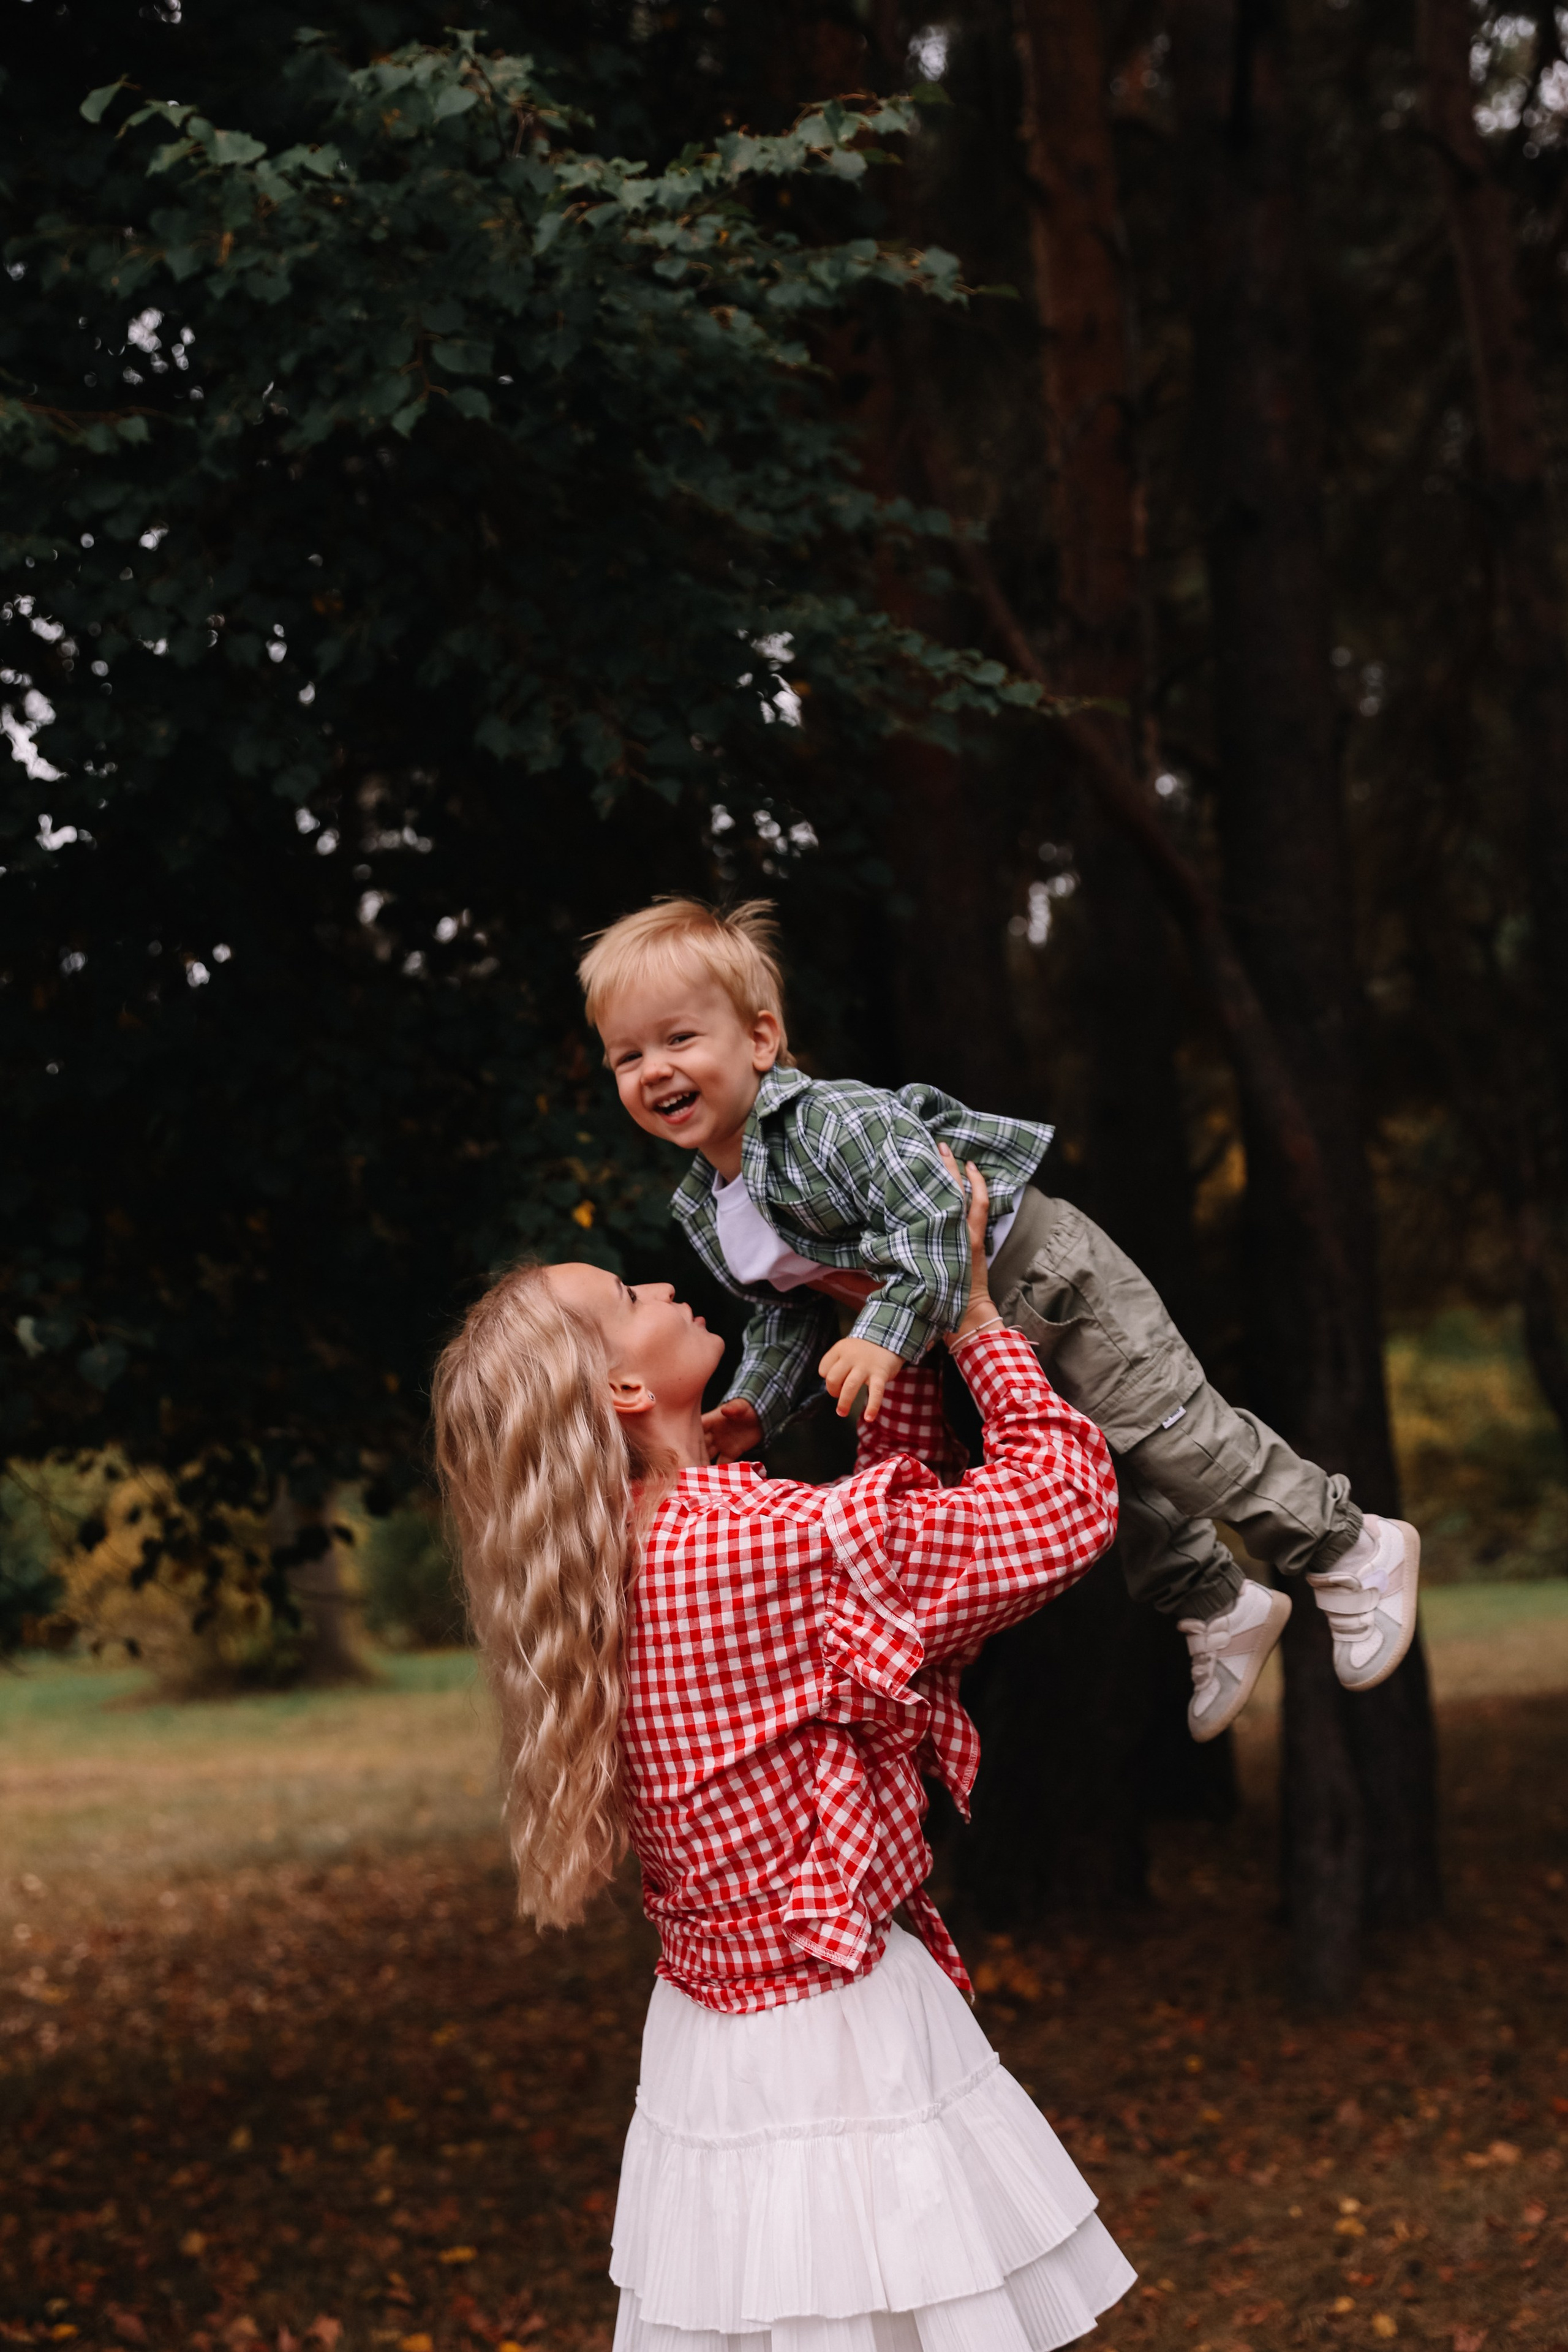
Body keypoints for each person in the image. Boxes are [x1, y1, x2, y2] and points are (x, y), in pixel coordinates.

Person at [433, 1153, 1137, 2351]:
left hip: (715, 2049)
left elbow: (862, 1569)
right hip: (838, 2039)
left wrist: (879, 1328)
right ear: (615, 1386)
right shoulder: (748, 1544)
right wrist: (964, 1311)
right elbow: (1060, 1506)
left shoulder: (608, 1561)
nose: (661, 1291)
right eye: (628, 1298)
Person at [576, 897, 1422, 1743]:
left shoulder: (828, 1125)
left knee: (1166, 1430)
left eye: (680, 1039)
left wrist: (882, 1333)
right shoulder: (709, 1207)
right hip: (964, 1335)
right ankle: (1217, 1600)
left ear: (760, 1040)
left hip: (1043, 1275)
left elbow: (940, 1211)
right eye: (628, 1055)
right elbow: (788, 1319)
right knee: (1098, 1470)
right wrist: (755, 1407)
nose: (654, 1069)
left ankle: (1346, 1545)